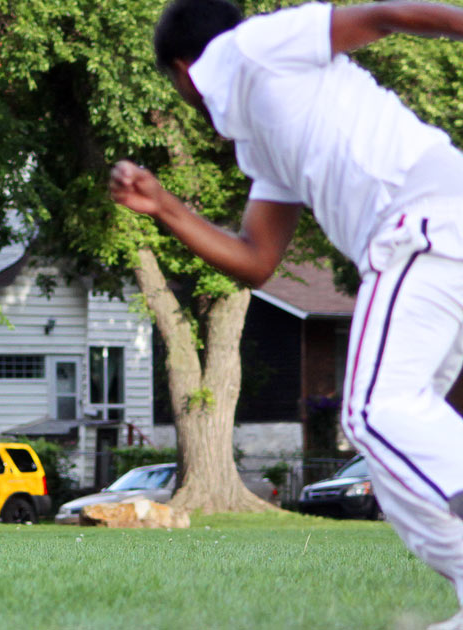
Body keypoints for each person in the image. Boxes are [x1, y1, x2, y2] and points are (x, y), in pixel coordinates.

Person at [111, 2, 463, 627]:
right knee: (395, 465)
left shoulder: (256, 45)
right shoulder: (263, 137)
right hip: (429, 238)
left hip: (424, 219)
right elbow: (256, 260)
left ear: (184, 71)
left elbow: (383, 15)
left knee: (373, 410)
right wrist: (165, 207)